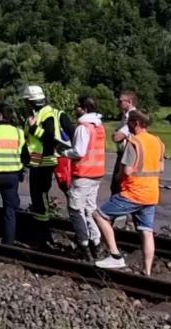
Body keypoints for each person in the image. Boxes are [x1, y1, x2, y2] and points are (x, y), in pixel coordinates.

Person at [94, 110, 165, 275]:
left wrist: (118, 177)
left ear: (136, 124)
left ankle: (115, 256)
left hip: (133, 192)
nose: (129, 128)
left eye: (130, 124)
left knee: (99, 215)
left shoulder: (134, 142)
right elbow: (161, 168)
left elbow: (126, 170)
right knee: (146, 231)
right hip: (152, 194)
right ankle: (147, 271)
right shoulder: (158, 142)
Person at [22, 84, 75, 248]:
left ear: (30, 102)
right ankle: (42, 234)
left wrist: (33, 128)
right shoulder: (43, 113)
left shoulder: (45, 115)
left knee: (40, 200)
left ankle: (42, 236)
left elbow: (49, 138)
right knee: (39, 199)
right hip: (39, 161)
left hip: (43, 162)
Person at [61, 96, 107, 261]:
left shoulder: (83, 127)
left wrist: (64, 152)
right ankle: (96, 242)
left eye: (78, 107)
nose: (76, 110)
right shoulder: (99, 126)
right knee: (90, 209)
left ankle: (83, 244)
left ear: (84, 109)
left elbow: (79, 151)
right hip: (97, 173)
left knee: (75, 209)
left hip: (83, 174)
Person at [0, 103, 26, 246]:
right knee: (10, 210)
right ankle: (8, 242)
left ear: (0, 115)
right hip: (12, 175)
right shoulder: (18, 132)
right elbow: (24, 155)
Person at [110, 91, 138, 196]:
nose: (118, 103)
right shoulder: (125, 116)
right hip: (123, 153)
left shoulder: (132, 117)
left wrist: (116, 134)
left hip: (126, 154)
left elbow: (117, 137)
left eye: (121, 100)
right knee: (116, 186)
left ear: (129, 102)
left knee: (118, 186)